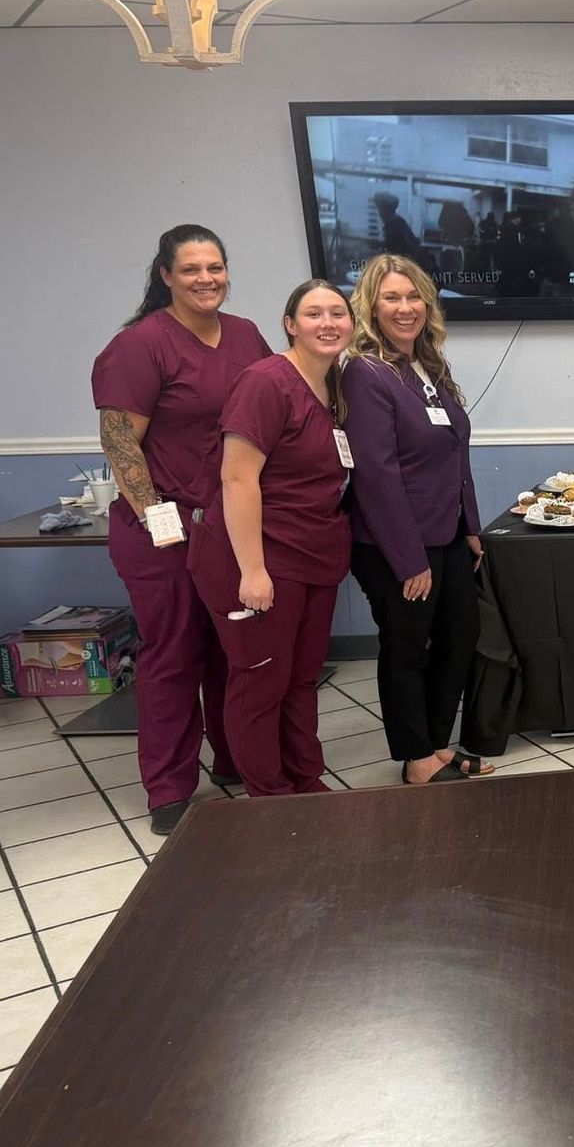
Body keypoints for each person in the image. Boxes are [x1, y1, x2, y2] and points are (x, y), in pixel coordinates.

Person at [92, 225, 273, 837]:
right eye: (191, 269)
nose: (206, 279)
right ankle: (169, 788)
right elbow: (120, 442)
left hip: (228, 523)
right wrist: (156, 519)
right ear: (165, 275)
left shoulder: (246, 334)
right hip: (163, 528)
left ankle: (233, 760)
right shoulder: (140, 345)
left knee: (232, 647)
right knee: (173, 655)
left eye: (215, 267)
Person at [187, 280, 353, 800]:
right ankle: (270, 797)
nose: (327, 323)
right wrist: (252, 572)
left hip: (312, 555)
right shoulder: (266, 381)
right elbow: (237, 480)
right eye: (313, 313)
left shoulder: (333, 384)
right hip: (256, 557)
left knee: (300, 678)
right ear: (290, 324)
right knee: (261, 680)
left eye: (337, 312)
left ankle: (305, 778)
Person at [343, 254, 489, 787]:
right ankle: (415, 758)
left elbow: (455, 451)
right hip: (394, 544)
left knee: (459, 636)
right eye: (391, 299)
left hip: (445, 533)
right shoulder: (365, 372)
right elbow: (376, 476)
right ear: (371, 307)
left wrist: (469, 525)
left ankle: (436, 743)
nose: (405, 308)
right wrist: (408, 560)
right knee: (407, 647)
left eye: (413, 297)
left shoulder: (427, 365)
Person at [374, 191, 422, 260]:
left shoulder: (394, 224)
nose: (379, 213)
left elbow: (396, 248)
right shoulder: (395, 222)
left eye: (380, 210)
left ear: (385, 210)